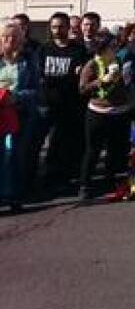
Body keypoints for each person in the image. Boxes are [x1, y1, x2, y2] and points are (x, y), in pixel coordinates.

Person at [77, 34, 135, 202]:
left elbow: (127, 86)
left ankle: (110, 181)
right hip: (98, 112)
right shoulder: (92, 64)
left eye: (116, 46)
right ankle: (85, 184)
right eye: (111, 47)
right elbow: (82, 89)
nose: (114, 50)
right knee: (93, 149)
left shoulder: (118, 63)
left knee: (116, 150)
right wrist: (100, 81)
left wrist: (126, 81)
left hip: (119, 112)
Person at [36, 12, 89, 194]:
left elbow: (83, 75)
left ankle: (64, 178)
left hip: (70, 105)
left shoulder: (78, 50)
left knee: (65, 144)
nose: (57, 30)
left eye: (61, 26)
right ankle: (47, 178)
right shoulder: (44, 49)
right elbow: (39, 75)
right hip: (48, 104)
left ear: (68, 28)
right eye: (54, 27)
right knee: (47, 144)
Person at [0, 22, 40, 212]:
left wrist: (16, 97)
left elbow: (35, 91)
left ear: (21, 40)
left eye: (14, 37)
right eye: (5, 36)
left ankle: (14, 197)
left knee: (15, 156)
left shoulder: (28, 60)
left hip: (20, 114)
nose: (9, 40)